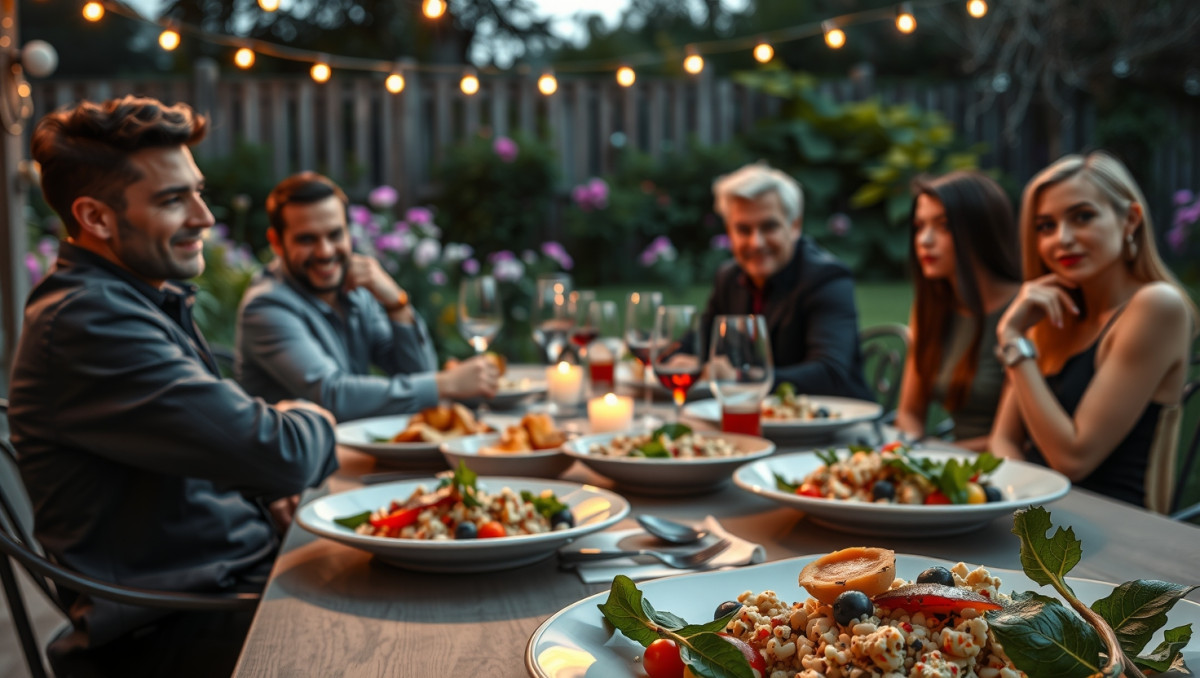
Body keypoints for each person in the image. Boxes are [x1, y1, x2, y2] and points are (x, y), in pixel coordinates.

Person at [7, 95, 340, 676]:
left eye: (198, 191)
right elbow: (279, 452)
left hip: (229, 588)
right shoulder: (92, 322)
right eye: (171, 199)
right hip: (173, 631)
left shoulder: (131, 299)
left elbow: (244, 452)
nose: (204, 217)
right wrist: (315, 420)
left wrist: (264, 489)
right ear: (96, 218)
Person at [989, 151, 1198, 511]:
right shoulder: (1055, 313)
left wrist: (1011, 337)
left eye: (1082, 217)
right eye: (1045, 226)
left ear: (1130, 220)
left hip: (1115, 532)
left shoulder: (1157, 306)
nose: (1062, 239)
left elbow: (1073, 458)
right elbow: (1003, 439)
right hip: (1033, 515)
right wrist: (1017, 507)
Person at [236, 171, 498, 421]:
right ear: (277, 242)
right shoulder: (265, 307)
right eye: (307, 239)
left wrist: (396, 302)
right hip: (297, 464)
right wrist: (447, 383)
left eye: (335, 234)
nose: (325, 251)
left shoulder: (354, 290)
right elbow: (332, 396)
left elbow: (418, 374)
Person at [700, 162, 873, 401]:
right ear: (729, 232)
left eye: (769, 226)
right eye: (743, 229)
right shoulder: (728, 278)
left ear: (794, 226)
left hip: (834, 430)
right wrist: (675, 357)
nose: (756, 242)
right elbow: (697, 344)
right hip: (757, 422)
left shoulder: (828, 279)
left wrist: (743, 377)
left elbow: (830, 374)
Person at [895, 171, 1022, 451]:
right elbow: (909, 413)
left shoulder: (1025, 309)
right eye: (919, 226)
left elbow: (1021, 440)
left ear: (982, 230)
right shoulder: (934, 306)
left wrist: (934, 453)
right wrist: (916, 450)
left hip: (1008, 469)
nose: (924, 240)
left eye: (943, 226)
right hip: (946, 462)